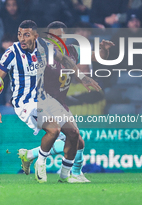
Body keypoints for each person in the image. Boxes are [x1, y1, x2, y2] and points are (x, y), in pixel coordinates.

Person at [0, 20, 101, 183]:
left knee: (75, 135)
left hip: (47, 101)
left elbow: (66, 60)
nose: (22, 39)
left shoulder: (45, 49)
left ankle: (64, 176)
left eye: (26, 35)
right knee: (53, 130)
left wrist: (82, 77)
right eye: (20, 34)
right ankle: (40, 163)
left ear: (35, 36)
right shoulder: (12, 53)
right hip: (25, 103)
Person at [18, 21, 114, 182]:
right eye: (53, 37)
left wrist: (104, 50)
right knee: (74, 139)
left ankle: (31, 155)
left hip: (60, 105)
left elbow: (99, 57)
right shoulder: (40, 54)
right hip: (43, 104)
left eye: (60, 36)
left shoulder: (73, 52)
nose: (57, 40)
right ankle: (71, 173)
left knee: (78, 141)